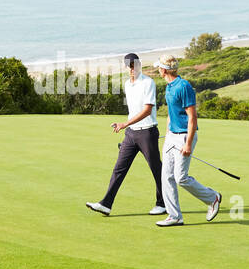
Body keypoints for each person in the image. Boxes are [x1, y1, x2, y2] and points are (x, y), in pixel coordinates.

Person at [85, 53, 167, 217]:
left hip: (147, 131)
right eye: (129, 66)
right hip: (131, 134)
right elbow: (134, 111)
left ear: (139, 65)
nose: (131, 69)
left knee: (156, 169)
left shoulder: (148, 83)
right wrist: (126, 124)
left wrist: (125, 124)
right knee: (119, 169)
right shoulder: (127, 85)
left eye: (134, 65)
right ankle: (106, 204)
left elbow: (147, 110)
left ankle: (162, 204)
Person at [154, 55, 220, 227]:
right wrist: (168, 133)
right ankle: (174, 216)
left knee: (180, 177)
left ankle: (212, 198)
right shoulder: (169, 87)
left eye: (159, 68)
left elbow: (192, 117)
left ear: (164, 69)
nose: (157, 70)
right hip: (171, 136)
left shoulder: (183, 86)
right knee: (166, 177)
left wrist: (188, 143)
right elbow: (171, 112)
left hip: (184, 135)